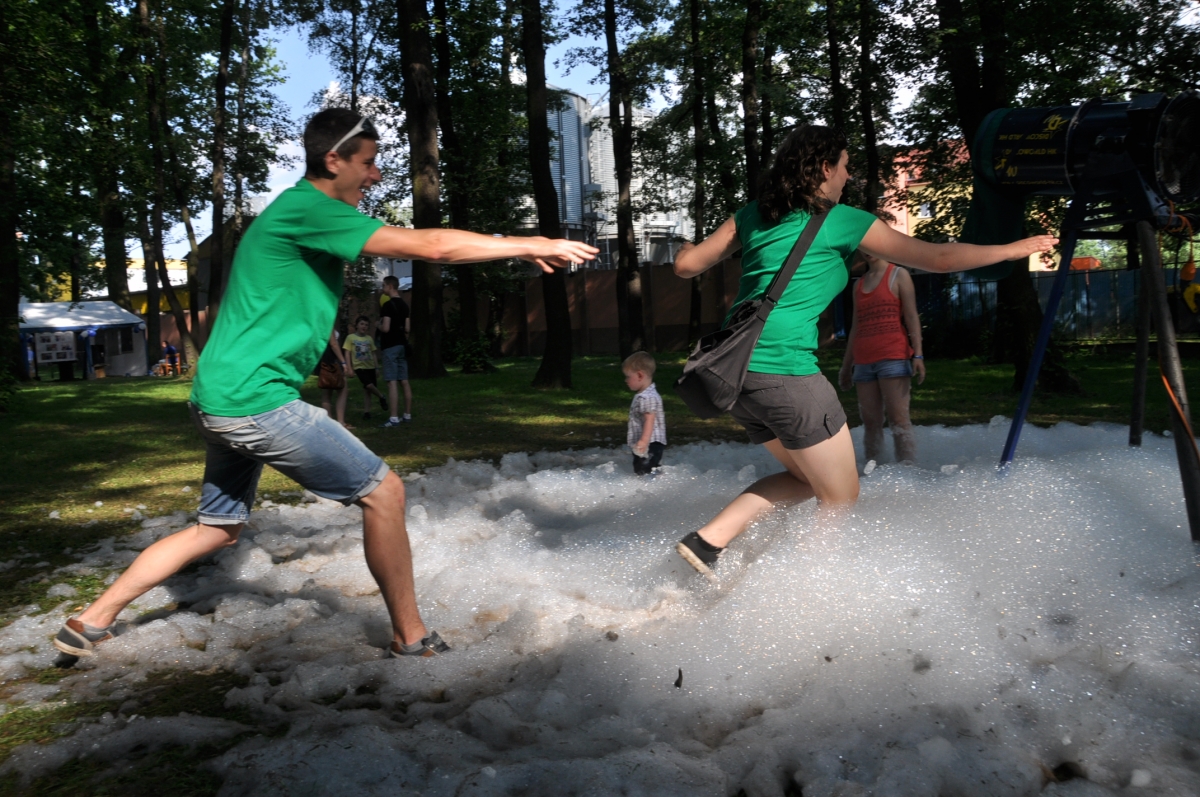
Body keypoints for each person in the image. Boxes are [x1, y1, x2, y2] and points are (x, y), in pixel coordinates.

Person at [54, 108, 597, 660]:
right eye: (368, 163)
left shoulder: (296, 212)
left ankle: (91, 620)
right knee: (385, 493)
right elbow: (431, 246)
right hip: (255, 401)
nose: (376, 175)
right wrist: (529, 243)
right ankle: (412, 639)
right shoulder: (309, 209)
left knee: (217, 529)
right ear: (332, 159)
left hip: (219, 398)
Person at [671, 124, 1058, 578]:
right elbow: (939, 259)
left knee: (805, 479)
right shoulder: (845, 220)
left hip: (735, 375)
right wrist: (1012, 249)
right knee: (841, 495)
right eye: (845, 166)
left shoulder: (754, 214)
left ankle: (707, 542)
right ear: (824, 168)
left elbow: (685, 265)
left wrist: (684, 243)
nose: (848, 176)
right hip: (786, 373)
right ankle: (809, 588)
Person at [837, 251, 924, 464]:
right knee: (871, 422)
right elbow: (856, 326)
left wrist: (918, 354)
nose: (868, 252)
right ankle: (873, 471)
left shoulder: (898, 275)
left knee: (899, 420)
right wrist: (847, 366)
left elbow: (911, 316)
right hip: (864, 361)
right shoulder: (859, 285)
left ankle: (908, 470)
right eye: (863, 247)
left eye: (872, 246)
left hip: (893, 357)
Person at [623, 351, 667, 475]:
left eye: (628, 376)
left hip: (650, 442)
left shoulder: (647, 397)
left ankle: (654, 491)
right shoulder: (644, 395)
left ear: (640, 376)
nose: (626, 380)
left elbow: (650, 419)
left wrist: (644, 441)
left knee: (646, 470)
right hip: (647, 442)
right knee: (642, 469)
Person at [378, 276, 412, 427]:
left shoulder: (387, 305)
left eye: (384, 285)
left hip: (390, 346)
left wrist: (377, 325)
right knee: (404, 381)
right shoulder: (405, 306)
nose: (382, 288)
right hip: (401, 346)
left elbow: (385, 328)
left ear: (391, 286)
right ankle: (407, 414)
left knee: (391, 382)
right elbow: (407, 329)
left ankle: (393, 418)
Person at [344, 315, 388, 420]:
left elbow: (373, 354)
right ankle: (382, 397)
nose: (364, 326)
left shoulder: (369, 339)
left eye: (366, 325)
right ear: (357, 325)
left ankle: (367, 412)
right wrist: (349, 367)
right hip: (359, 367)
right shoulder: (350, 338)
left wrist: (377, 368)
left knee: (368, 391)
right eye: (362, 324)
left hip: (370, 367)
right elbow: (347, 353)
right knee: (368, 385)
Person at [318, 330, 353, 429]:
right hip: (332, 360)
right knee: (343, 389)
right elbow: (333, 344)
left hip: (324, 359)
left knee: (326, 392)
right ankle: (341, 422)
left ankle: (329, 423)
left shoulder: (318, 323)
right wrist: (343, 362)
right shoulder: (328, 321)